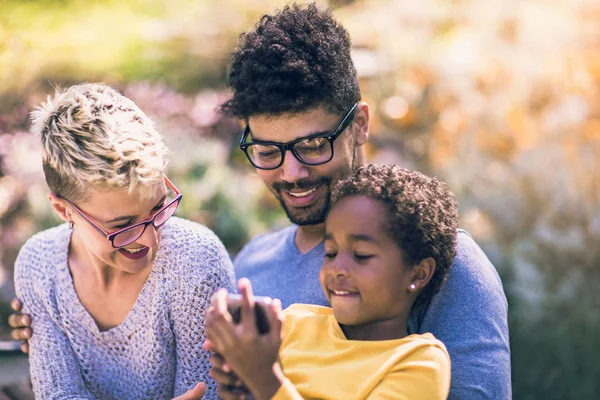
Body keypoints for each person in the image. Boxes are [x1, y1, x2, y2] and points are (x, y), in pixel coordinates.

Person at [11, 3, 511, 399]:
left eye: (313, 145)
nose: (292, 173)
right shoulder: (251, 268)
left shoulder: (444, 262)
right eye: (268, 151)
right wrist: (60, 323)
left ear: (359, 124)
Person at [11, 83, 233, 399]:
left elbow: (206, 394)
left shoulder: (194, 260)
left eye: (158, 207)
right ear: (63, 210)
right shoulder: (39, 265)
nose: (150, 237)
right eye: (122, 226)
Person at [205, 165, 456, 400]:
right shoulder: (294, 323)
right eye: (330, 253)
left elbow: (270, 386)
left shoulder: (419, 361)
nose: (337, 269)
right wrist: (242, 381)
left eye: (361, 255)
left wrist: (265, 380)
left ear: (418, 274)